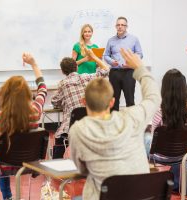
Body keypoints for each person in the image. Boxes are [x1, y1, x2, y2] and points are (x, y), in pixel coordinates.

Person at [69, 48, 161, 200]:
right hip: (141, 196)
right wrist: (140, 68)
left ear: (84, 102)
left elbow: (82, 169)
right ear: (112, 102)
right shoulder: (132, 118)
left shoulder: (78, 130)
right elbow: (153, 97)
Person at [0, 53, 47, 200]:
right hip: (31, 162)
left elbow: (0, 144)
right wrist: (34, 64)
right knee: (2, 151)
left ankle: (6, 195)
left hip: (6, 164)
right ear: (27, 93)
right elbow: (43, 88)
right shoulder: (36, 111)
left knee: (0, 152)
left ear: (5, 94)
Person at [144, 45, 187, 153]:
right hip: (183, 155)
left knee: (145, 136)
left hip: (160, 155)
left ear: (164, 88)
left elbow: (153, 138)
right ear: (184, 88)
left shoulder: (158, 110)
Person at [51, 48, 110, 159]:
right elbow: (106, 69)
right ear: (77, 67)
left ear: (63, 71)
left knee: (59, 136)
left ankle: (56, 166)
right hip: (90, 124)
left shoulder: (62, 84)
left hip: (72, 127)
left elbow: (54, 101)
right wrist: (94, 57)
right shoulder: (87, 77)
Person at [103, 16, 143, 111]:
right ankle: (114, 124)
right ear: (115, 26)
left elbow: (140, 54)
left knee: (130, 100)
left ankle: (131, 124)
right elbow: (106, 55)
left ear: (126, 26)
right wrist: (112, 62)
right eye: (118, 25)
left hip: (129, 72)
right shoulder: (111, 40)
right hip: (114, 72)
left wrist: (131, 62)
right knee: (113, 101)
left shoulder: (134, 39)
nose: (120, 27)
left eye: (122, 25)